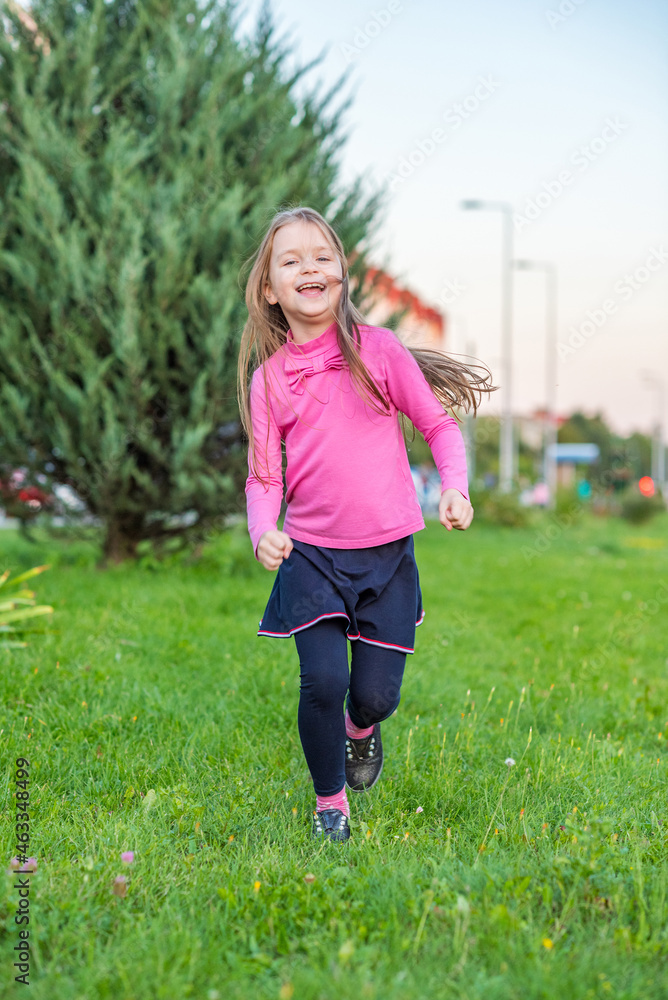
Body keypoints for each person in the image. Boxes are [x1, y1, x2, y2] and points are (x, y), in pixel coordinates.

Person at [238, 206, 495, 842]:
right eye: (291, 260)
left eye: (322, 256)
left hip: (386, 557)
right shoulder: (268, 381)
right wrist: (263, 530)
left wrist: (455, 486)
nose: (309, 268)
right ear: (269, 289)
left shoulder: (379, 350)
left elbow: (437, 424)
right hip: (311, 556)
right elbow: (264, 477)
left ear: (342, 272)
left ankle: (361, 729)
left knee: (376, 697)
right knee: (323, 681)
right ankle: (330, 803)